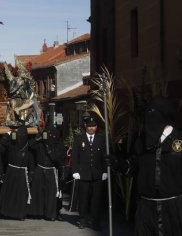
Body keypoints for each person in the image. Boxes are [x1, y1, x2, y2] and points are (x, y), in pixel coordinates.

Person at [108, 96, 182, 236]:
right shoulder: (142, 141)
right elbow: (132, 167)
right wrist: (117, 164)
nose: (151, 120)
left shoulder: (179, 140)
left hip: (174, 209)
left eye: (154, 114)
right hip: (146, 209)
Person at [72, 116, 107, 230]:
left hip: (97, 174)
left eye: (93, 126)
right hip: (84, 174)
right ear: (86, 127)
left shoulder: (101, 139)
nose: (91, 128)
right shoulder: (79, 138)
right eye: (89, 126)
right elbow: (75, 156)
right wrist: (75, 171)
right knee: (84, 198)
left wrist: (105, 171)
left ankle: (95, 221)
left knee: (96, 199)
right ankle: (83, 220)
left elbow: (104, 157)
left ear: (96, 127)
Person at [0, 125, 34, 220]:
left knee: (21, 194)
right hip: (11, 171)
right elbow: (1, 146)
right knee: (9, 193)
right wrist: (7, 135)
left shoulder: (28, 145)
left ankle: (20, 213)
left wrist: (31, 172)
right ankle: (7, 212)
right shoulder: (12, 143)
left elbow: (31, 160)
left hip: (22, 172)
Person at [28, 126, 63, 221]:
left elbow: (56, 158)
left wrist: (48, 146)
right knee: (38, 192)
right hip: (40, 169)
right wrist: (38, 137)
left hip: (51, 170)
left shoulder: (58, 144)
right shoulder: (40, 143)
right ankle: (37, 212)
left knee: (51, 194)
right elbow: (30, 145)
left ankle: (51, 213)